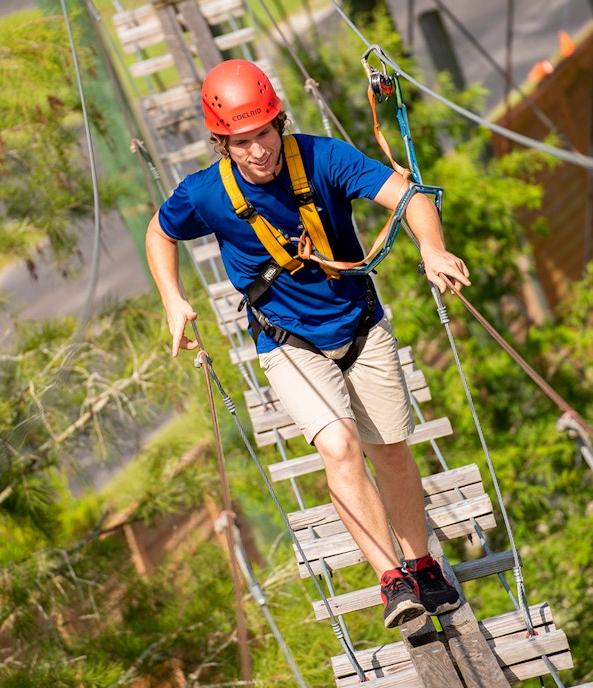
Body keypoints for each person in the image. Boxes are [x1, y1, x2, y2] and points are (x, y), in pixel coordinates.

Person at [145, 59, 472, 628]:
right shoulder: (205, 193)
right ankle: (392, 581)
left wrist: (432, 248)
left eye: (264, 133)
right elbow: (159, 231)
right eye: (241, 142)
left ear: (280, 123)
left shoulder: (325, 158)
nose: (257, 151)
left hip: (360, 323)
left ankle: (422, 566)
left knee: (389, 448)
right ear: (223, 143)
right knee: (340, 446)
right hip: (288, 339)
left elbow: (409, 196)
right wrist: (172, 298)